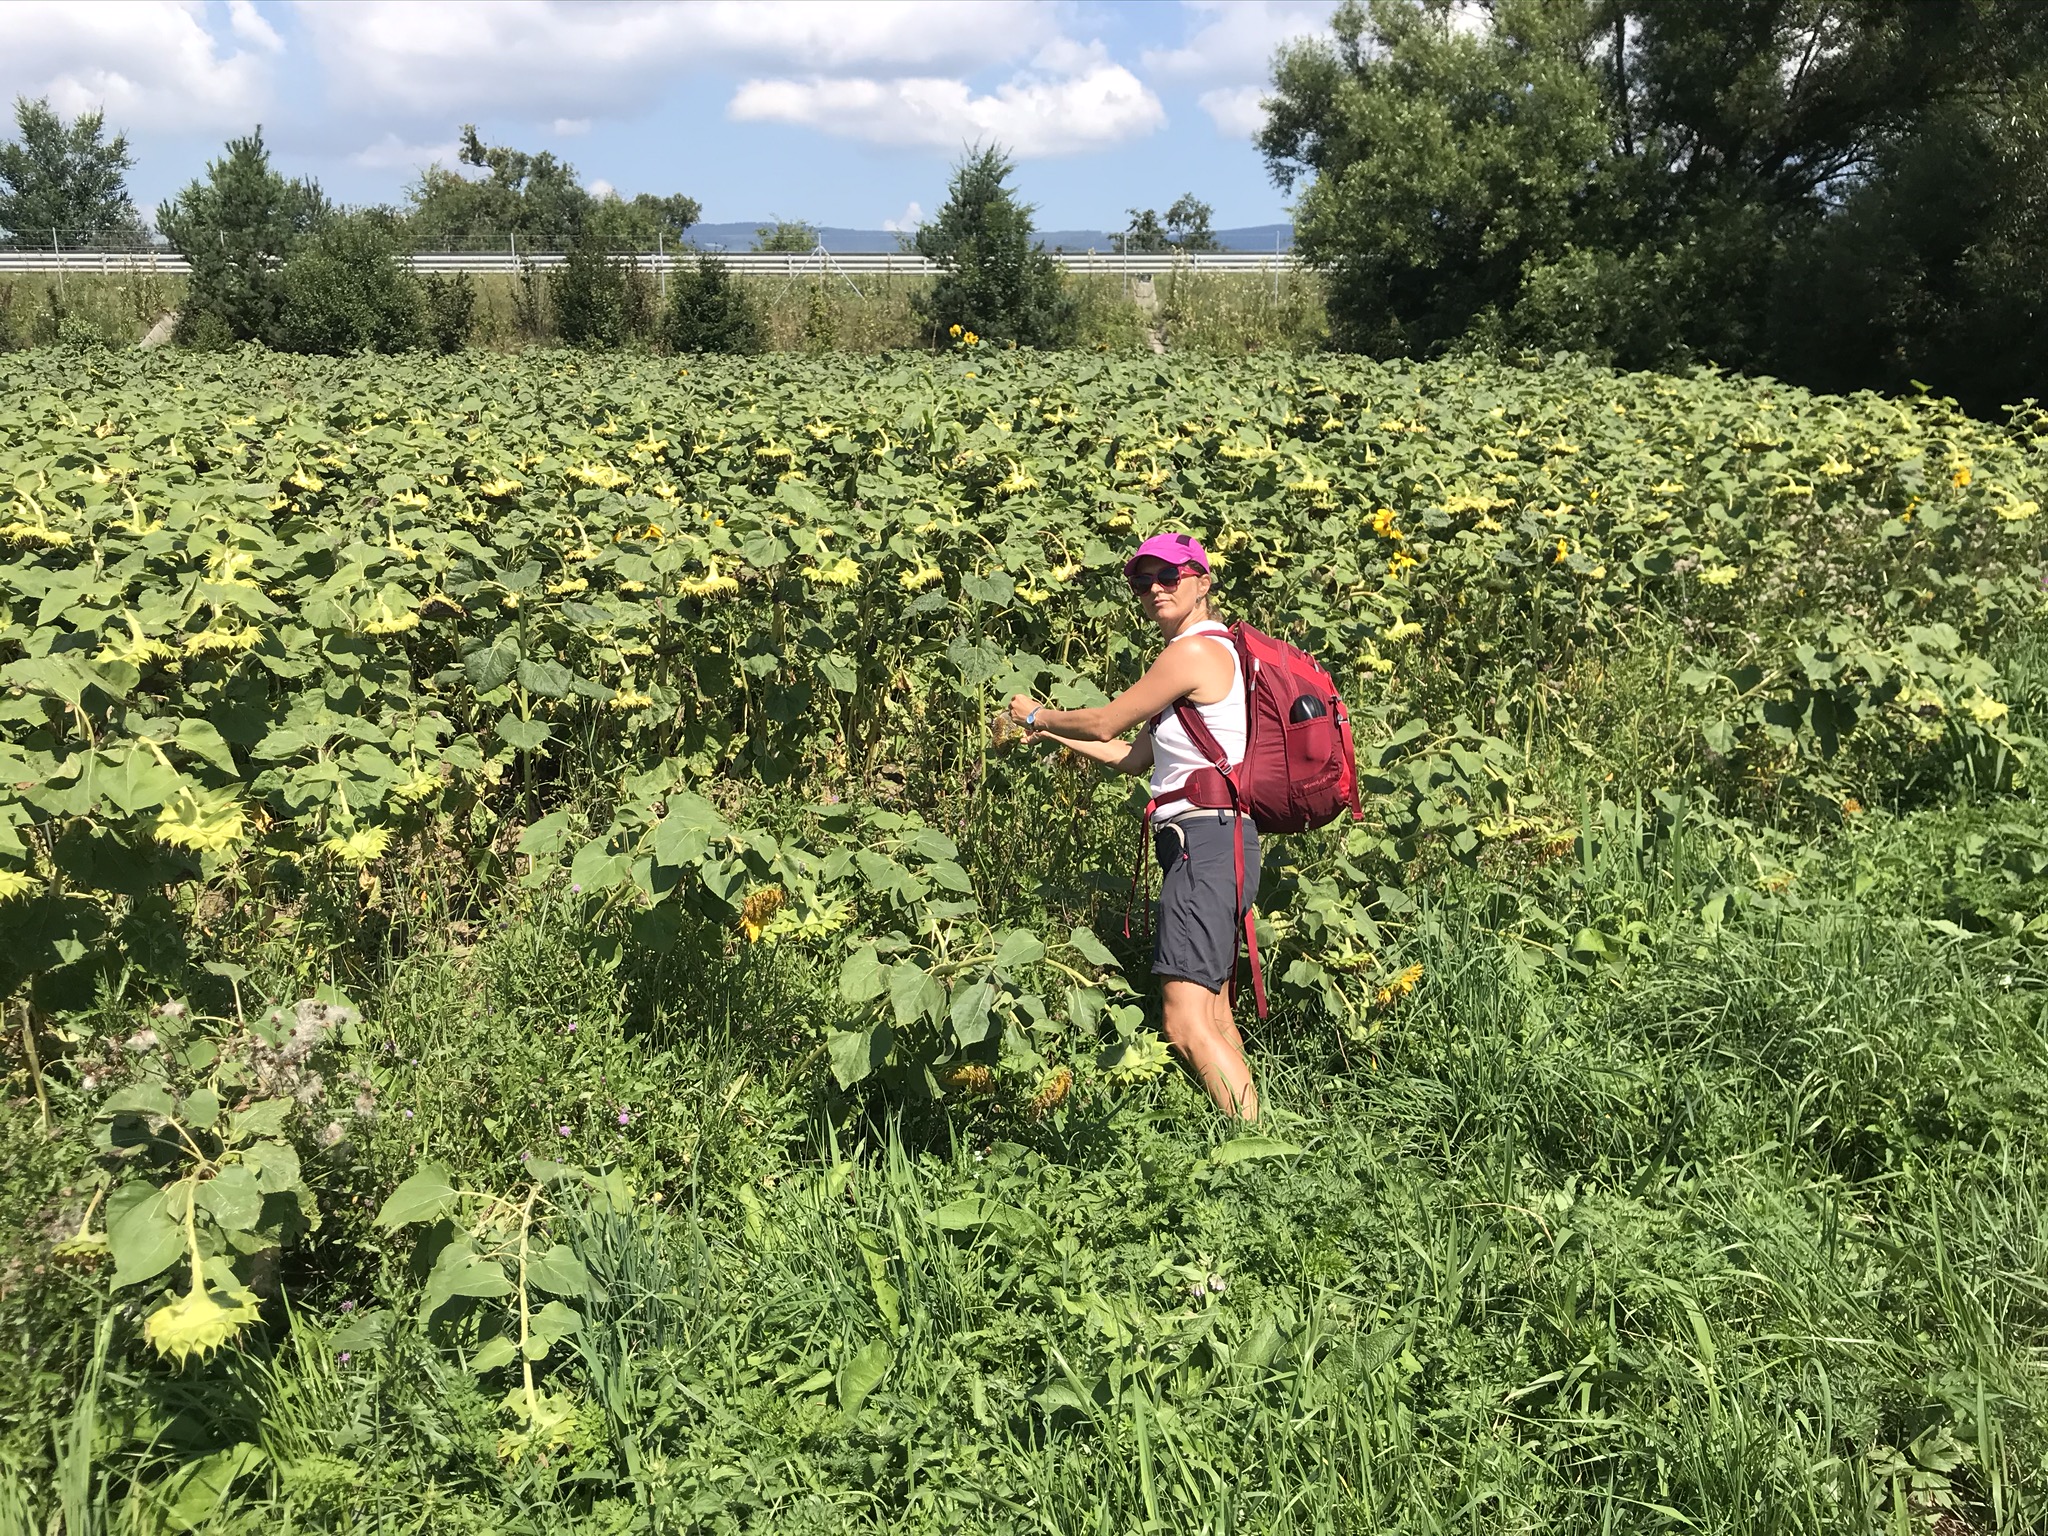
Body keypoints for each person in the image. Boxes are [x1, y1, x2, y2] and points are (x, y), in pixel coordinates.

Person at [1006, 532, 1261, 1121]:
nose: (1153, 590)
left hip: (1204, 843)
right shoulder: (1211, 659)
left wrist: (1037, 714)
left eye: (1168, 576)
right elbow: (1134, 757)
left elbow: (1104, 722)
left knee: (1182, 1019)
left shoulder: (1192, 653)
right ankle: (1252, 1132)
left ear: (1202, 580)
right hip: (1217, 841)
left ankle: (1252, 1151)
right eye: (1141, 581)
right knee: (1215, 1011)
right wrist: (1052, 736)